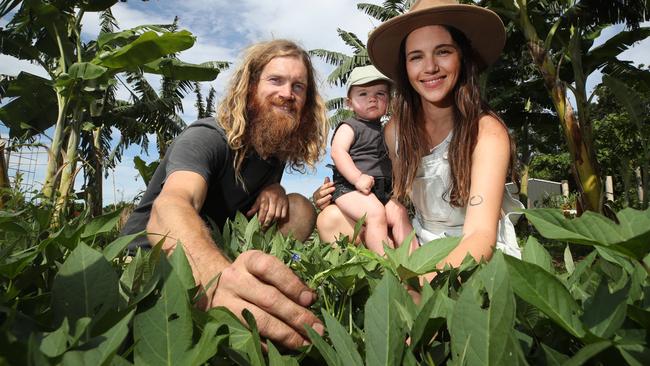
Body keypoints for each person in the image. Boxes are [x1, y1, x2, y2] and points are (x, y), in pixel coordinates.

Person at [121, 40, 329, 349]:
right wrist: (215, 278)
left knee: (299, 208)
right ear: (250, 87)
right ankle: (233, 292)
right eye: (276, 80)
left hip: (223, 248)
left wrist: (277, 188)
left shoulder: (273, 155)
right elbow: (172, 205)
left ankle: (252, 291)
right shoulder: (207, 138)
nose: (288, 93)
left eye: (298, 86)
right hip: (149, 261)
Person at [316, 0, 523, 272]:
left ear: (463, 57)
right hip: (421, 239)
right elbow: (391, 194)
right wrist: (340, 192)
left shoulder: (486, 131)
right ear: (405, 68)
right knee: (331, 219)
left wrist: (422, 281)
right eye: (416, 57)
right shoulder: (395, 132)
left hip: (474, 248)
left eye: (443, 52)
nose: (430, 67)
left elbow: (480, 235)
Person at [328, 65, 415, 255]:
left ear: (389, 102)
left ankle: (416, 262)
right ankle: (385, 264)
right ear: (349, 103)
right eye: (363, 93)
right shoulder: (350, 126)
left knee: (400, 215)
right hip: (350, 188)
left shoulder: (387, 131)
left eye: (380, 93)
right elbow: (338, 152)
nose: (372, 98)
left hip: (381, 191)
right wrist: (357, 177)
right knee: (375, 214)